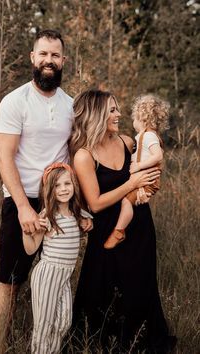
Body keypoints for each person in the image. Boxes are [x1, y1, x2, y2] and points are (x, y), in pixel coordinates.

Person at [0, 29, 92, 353]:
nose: (49, 60)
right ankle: (0, 347)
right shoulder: (14, 101)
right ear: (33, 58)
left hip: (61, 202)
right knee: (10, 281)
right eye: (43, 54)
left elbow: (79, 154)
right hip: (21, 200)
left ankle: (48, 343)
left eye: (55, 55)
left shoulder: (71, 106)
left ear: (63, 60)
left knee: (59, 277)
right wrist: (23, 206)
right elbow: (4, 157)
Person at [69, 90, 176, 353]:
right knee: (102, 291)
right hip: (107, 232)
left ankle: (140, 343)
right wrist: (131, 183)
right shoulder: (84, 155)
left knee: (140, 287)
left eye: (117, 109)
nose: (119, 115)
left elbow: (150, 168)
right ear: (96, 115)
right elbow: (95, 203)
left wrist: (148, 183)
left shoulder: (127, 142)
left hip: (139, 227)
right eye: (113, 110)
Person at [22, 162, 93, 354]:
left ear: (74, 185)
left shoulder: (77, 213)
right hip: (47, 274)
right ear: (49, 190)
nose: (63, 189)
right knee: (44, 325)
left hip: (64, 276)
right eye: (57, 186)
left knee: (63, 323)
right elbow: (30, 249)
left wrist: (88, 223)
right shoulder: (47, 216)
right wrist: (29, 232)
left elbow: (88, 222)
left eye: (67, 184)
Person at [104, 94, 170, 249]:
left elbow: (159, 156)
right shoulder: (143, 137)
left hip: (146, 179)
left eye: (134, 118)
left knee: (126, 202)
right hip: (142, 179)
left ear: (143, 118)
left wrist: (139, 167)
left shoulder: (148, 136)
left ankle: (118, 232)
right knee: (128, 201)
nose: (133, 122)